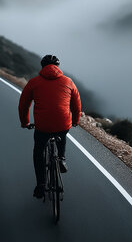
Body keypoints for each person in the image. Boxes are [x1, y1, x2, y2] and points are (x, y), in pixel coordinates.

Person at [18, 54, 81, 199]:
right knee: (63, 133)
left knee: (38, 152)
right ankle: (61, 159)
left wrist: (25, 122)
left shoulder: (34, 82)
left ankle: (41, 184)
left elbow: (23, 105)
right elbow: (76, 105)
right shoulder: (69, 82)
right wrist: (76, 120)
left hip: (42, 126)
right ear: (57, 67)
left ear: (42, 66)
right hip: (63, 123)